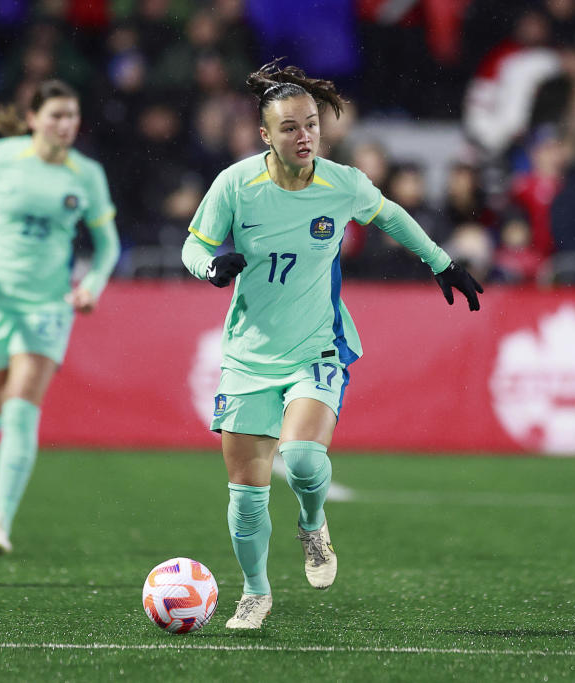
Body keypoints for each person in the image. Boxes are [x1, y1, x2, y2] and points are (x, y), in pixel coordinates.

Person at [181, 59, 482, 630]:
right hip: (248, 356)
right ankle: (255, 593)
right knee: (247, 499)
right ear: (265, 135)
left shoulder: (340, 184)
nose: (305, 136)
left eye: (312, 124)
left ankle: (313, 525)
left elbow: (391, 216)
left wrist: (441, 263)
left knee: (300, 457)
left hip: (317, 345)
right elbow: (193, 246)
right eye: (290, 127)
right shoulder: (235, 185)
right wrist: (212, 268)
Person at [0, 79, 120, 555]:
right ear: (33, 118)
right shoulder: (3, 156)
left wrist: (92, 286)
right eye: (56, 115)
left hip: (47, 307)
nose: (65, 125)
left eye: (72, 116)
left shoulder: (87, 174)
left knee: (20, 412)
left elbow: (108, 243)